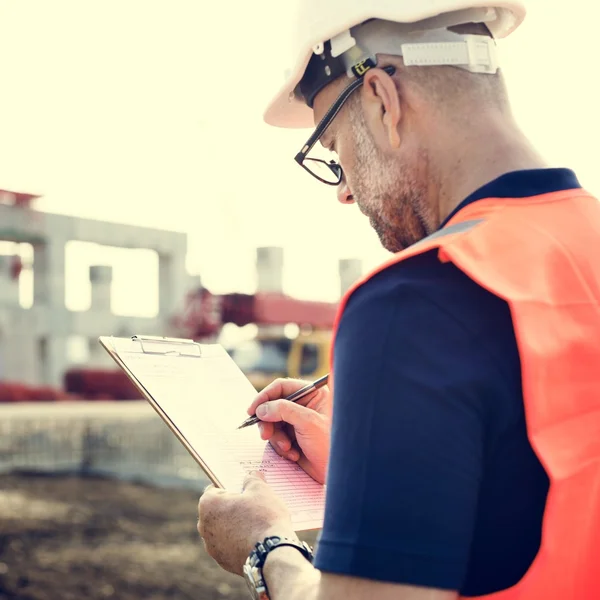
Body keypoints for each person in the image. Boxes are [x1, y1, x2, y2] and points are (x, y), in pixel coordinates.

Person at [198, 1, 600, 599]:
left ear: (384, 100)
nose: (344, 191)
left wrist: (267, 548)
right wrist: (371, 481)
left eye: (335, 152)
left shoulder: (416, 299)